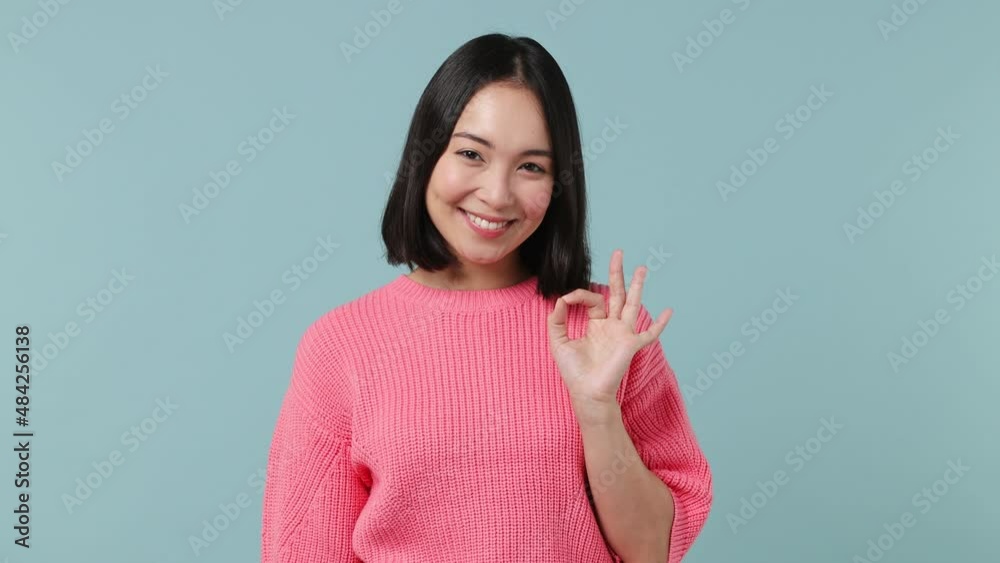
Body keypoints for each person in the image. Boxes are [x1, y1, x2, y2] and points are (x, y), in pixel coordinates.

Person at [261, 32, 712, 562]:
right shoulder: (340, 346)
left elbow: (651, 551)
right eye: (472, 154)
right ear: (425, 156)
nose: (497, 195)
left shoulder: (608, 331)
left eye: (531, 167)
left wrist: (596, 408)